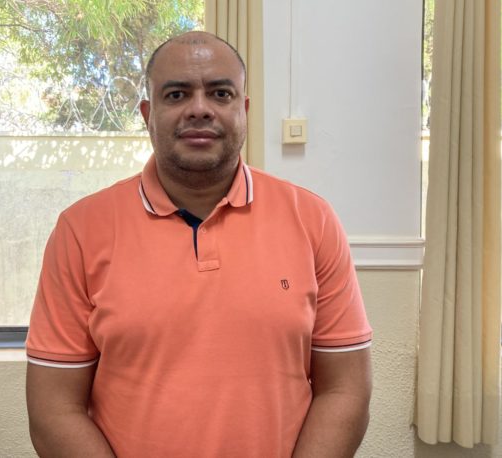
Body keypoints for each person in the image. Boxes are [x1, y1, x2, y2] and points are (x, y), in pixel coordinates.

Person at [25, 31, 372, 458]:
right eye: (177, 94)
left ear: (244, 110)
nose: (200, 109)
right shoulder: (80, 230)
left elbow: (344, 390)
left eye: (220, 93)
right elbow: (54, 410)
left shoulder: (313, 220)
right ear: (148, 114)